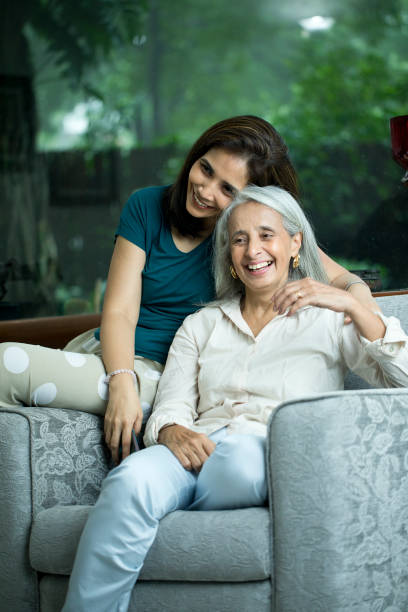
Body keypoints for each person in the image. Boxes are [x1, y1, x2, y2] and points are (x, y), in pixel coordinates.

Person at [62, 185, 408, 611]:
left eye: (267, 235)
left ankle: (171, 508)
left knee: (240, 461)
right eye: (239, 239)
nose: (252, 250)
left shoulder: (329, 319)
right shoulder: (201, 323)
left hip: (265, 451)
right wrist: (170, 429)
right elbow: (172, 403)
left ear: (295, 243)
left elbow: (402, 379)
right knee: (130, 479)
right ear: (228, 254)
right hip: (193, 448)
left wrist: (352, 306)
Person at [0, 116, 377, 465]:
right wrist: (121, 381)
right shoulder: (146, 205)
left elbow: (345, 280)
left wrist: (355, 304)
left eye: (227, 189)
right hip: (108, 355)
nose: (205, 190)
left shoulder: (242, 239)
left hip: (163, 375)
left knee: (6, 365)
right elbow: (119, 312)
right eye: (205, 169)